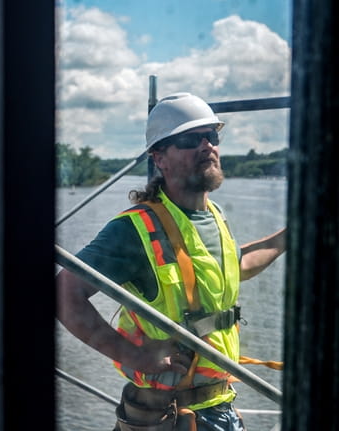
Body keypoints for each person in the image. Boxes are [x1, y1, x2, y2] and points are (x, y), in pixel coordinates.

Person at [56, 92, 287, 431]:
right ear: (159, 157)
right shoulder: (135, 229)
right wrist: (132, 355)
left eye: (212, 136)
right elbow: (65, 295)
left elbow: (238, 265)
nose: (207, 145)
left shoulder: (213, 216)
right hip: (168, 417)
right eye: (191, 140)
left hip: (218, 406)